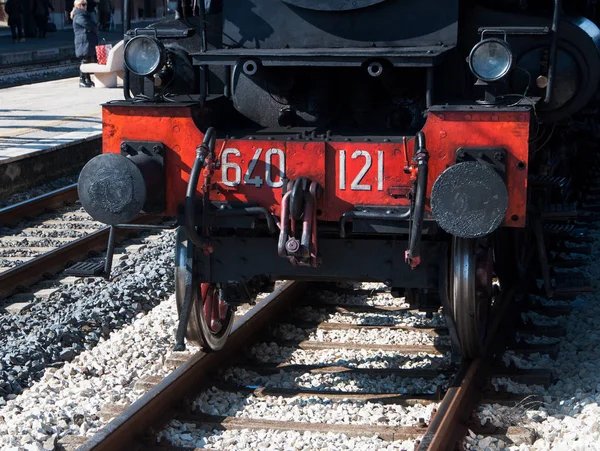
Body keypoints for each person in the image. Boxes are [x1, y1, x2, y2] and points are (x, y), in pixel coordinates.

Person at [70, 0, 98, 88]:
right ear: (78, 6)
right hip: (83, 42)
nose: (85, 6)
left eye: (86, 4)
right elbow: (87, 24)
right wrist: (94, 27)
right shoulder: (79, 15)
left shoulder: (84, 15)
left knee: (88, 60)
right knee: (85, 60)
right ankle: (82, 80)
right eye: (83, 4)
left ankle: (87, 79)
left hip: (86, 41)